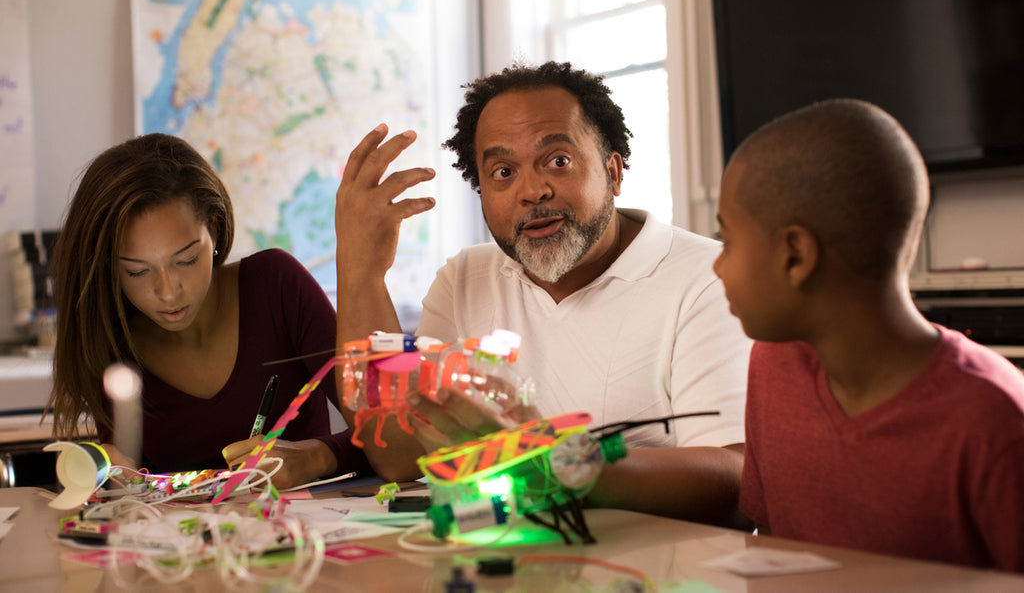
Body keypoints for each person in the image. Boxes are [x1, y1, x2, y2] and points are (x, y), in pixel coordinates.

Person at [334, 61, 752, 527]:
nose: (533, 190)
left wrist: (560, 465)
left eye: (558, 161)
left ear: (613, 172)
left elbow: (736, 477)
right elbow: (398, 455)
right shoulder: (465, 278)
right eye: (503, 171)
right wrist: (361, 272)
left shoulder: (708, 277)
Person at [713, 98, 1024, 571]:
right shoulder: (774, 365)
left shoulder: (995, 423)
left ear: (796, 255)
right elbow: (774, 553)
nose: (717, 265)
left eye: (728, 241)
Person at [48, 133, 372, 490]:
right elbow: (132, 482)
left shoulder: (276, 286)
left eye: (186, 259)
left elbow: (384, 436)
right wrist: (111, 472)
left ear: (214, 232)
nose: (168, 292)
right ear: (110, 267)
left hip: (304, 534)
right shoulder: (112, 339)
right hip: (182, 542)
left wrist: (316, 457)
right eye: (137, 271)